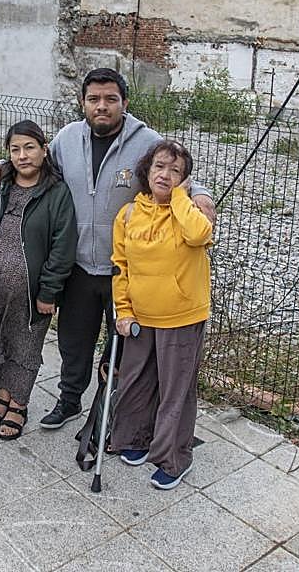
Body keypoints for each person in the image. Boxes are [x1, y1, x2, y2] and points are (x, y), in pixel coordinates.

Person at [0, 68, 215, 429]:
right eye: (94, 99)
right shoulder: (67, 138)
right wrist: (0, 165)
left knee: (120, 350)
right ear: (83, 103)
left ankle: (109, 411)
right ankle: (69, 400)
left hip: (125, 270)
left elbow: (174, 171)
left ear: (125, 102)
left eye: (110, 99)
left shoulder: (146, 140)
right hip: (77, 267)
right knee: (74, 344)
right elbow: (35, 160)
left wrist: (199, 193)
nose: (101, 106)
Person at [0, 120, 77, 441]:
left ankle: (19, 404)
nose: (22, 156)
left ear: (43, 149)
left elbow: (63, 247)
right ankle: (2, 397)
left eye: (29, 147)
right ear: (7, 154)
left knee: (24, 346)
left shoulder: (57, 193)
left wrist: (49, 291)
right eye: (15, 149)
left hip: (30, 291)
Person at [110, 139, 213, 489]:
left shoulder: (189, 212)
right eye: (159, 167)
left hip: (182, 316)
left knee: (176, 391)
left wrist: (183, 197)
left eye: (176, 171)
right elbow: (120, 266)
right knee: (137, 382)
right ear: (146, 170)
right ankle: (137, 438)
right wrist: (123, 310)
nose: (165, 175)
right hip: (141, 316)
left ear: (185, 179)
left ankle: (174, 457)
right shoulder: (128, 214)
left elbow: (199, 235)